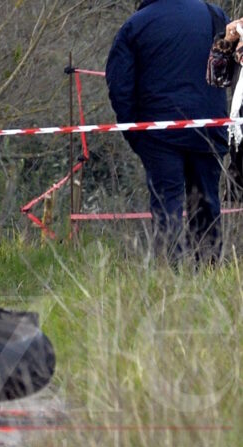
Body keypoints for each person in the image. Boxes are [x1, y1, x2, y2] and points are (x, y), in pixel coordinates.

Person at [106, 0, 230, 265]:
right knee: (207, 203)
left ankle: (171, 275)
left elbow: (119, 86)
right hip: (209, 127)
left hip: (158, 132)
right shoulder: (215, 15)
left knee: (167, 206)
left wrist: (135, 133)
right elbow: (231, 67)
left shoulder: (135, 25)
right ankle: (207, 272)